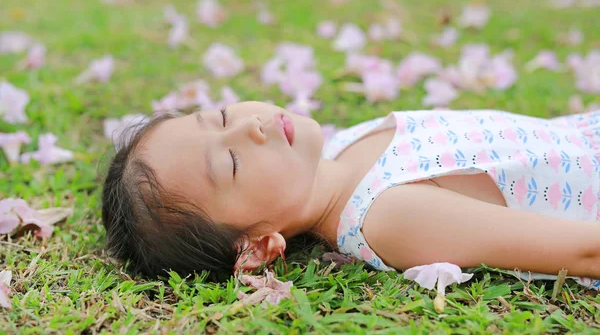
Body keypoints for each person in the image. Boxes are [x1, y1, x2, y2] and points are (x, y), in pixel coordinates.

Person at [101, 101, 600, 289]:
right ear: (255, 247)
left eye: (222, 118)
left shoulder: (342, 148)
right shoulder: (390, 214)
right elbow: (585, 249)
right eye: (229, 163)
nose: (250, 127)